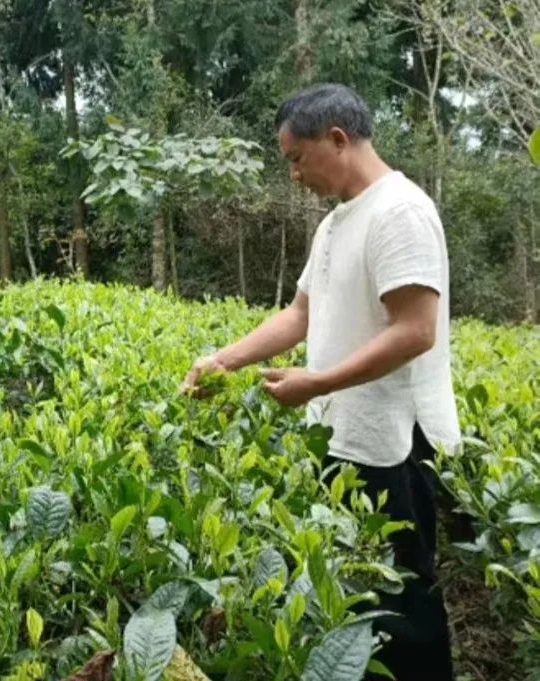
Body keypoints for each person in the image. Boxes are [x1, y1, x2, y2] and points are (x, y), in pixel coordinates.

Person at [181, 83, 461, 681]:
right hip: (342, 440)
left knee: (403, 599)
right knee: (358, 597)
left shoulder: (401, 210)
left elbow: (415, 330)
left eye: (296, 158)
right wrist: (223, 361)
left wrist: (318, 382)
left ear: (337, 138)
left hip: (395, 447)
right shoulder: (336, 223)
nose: (294, 175)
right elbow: (300, 314)